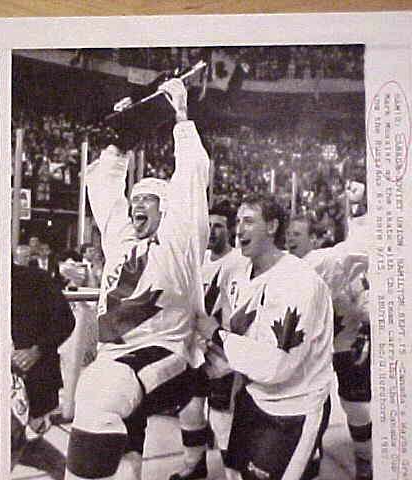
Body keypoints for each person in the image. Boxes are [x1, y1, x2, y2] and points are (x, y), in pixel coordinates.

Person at [64, 78, 210, 480]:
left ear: (167, 209)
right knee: (124, 455)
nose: (136, 203)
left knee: (97, 395)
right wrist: (121, 141)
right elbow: (104, 187)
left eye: (147, 198)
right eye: (135, 198)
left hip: (168, 355)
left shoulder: (179, 240)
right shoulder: (122, 241)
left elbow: (193, 176)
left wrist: (180, 117)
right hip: (120, 359)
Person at [197, 193, 334, 480]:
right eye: (238, 222)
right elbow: (245, 345)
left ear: (272, 227)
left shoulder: (299, 282)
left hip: (294, 408)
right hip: (253, 399)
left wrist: (218, 336)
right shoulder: (238, 276)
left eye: (249, 221)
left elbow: (277, 365)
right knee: (234, 473)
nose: (239, 229)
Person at [286, 214, 372, 480]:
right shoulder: (284, 268)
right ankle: (311, 459)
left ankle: (364, 460)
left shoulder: (326, 260)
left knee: (356, 406)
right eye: (288, 234)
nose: (290, 239)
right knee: (312, 408)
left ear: (313, 239)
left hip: (345, 342)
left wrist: (365, 327)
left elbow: (361, 287)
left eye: (297, 235)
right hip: (313, 352)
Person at [171, 205, 245, 480]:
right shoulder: (197, 260)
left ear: (230, 230)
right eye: (208, 225)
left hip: (220, 350)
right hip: (193, 348)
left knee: (221, 419)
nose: (211, 231)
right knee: (189, 411)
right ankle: (195, 465)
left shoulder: (238, 262)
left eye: (218, 226)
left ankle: (232, 475)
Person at [11, 244, 76, 469]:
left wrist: (36, 350)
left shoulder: (35, 280)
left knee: (22, 443)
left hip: (36, 384)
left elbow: (66, 320)